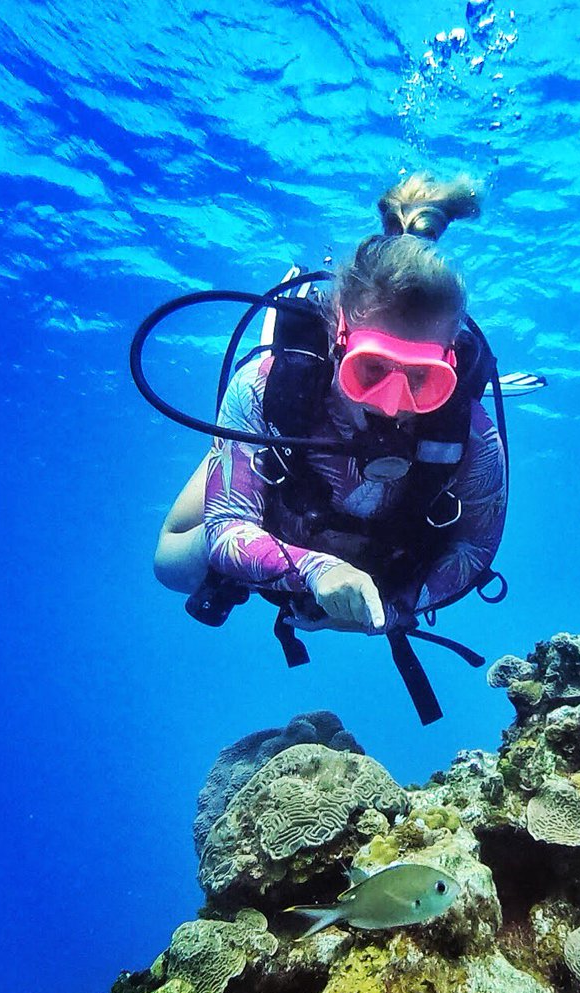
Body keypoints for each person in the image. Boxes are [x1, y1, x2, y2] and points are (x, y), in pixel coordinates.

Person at [153, 173, 507, 667]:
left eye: (422, 379)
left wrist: (390, 609)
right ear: (339, 337)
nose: (392, 405)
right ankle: (239, 478)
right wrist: (314, 571)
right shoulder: (266, 389)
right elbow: (227, 525)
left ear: (450, 361)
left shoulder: (470, 431)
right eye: (371, 370)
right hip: (280, 510)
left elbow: (475, 547)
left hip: (377, 564)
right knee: (172, 563)